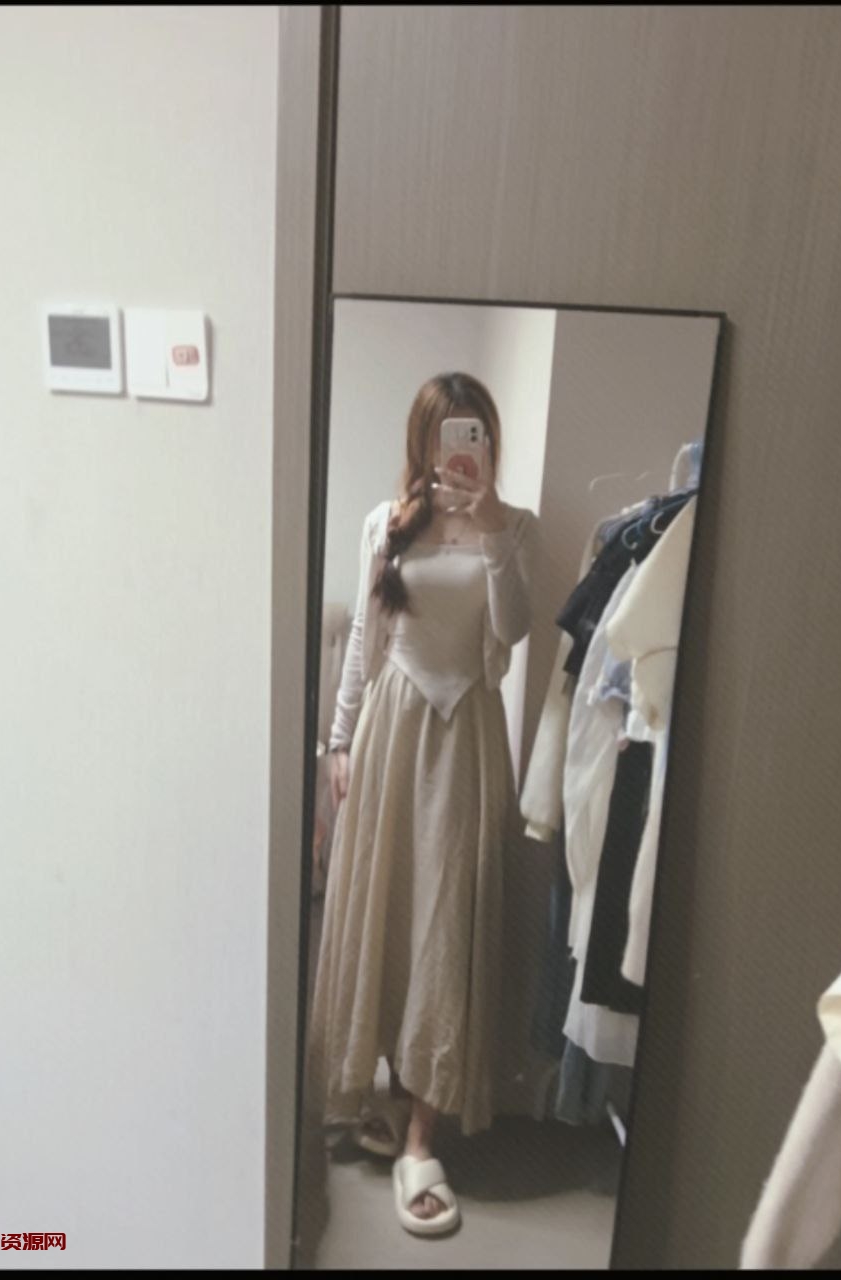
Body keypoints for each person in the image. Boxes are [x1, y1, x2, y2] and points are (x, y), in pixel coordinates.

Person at [306, 371, 538, 1236]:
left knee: (445, 923)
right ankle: (380, 1094)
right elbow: (365, 642)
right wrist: (337, 742)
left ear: (488, 443)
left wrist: (489, 530)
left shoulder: (514, 527)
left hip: (465, 733)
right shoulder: (384, 522)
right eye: (446, 434)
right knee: (384, 910)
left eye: (473, 434)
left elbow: (513, 629)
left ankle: (419, 1138)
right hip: (391, 727)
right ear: (423, 442)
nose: (460, 451)